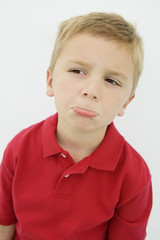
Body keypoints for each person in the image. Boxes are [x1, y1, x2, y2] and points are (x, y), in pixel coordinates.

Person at [0, 12, 152, 240]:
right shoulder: (20, 147)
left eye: (111, 80)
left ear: (126, 103)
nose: (91, 90)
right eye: (78, 71)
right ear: (50, 81)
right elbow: (5, 222)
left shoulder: (134, 174)